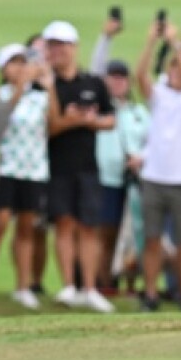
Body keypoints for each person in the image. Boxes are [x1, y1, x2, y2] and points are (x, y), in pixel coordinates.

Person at [43, 19, 117, 313]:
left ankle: (90, 287)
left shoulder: (93, 83)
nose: (57, 51)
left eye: (62, 45)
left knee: (89, 227)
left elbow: (110, 120)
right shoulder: (46, 84)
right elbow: (48, 128)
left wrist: (91, 122)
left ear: (74, 48)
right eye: (52, 46)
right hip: (57, 165)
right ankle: (69, 286)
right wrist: (69, 121)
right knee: (64, 224)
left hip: (88, 166)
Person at [137, 19, 181, 312]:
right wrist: (153, 42)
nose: (177, 72)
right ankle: (151, 295)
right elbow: (139, 76)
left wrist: (178, 44)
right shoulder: (161, 96)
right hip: (155, 177)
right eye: (175, 68)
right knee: (152, 240)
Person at [0, 44, 52, 310]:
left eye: (23, 63)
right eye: (13, 63)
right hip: (7, 168)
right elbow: (0, 122)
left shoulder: (40, 97)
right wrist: (21, 86)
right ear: (2, 68)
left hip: (33, 169)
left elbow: (53, 123)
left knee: (26, 229)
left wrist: (48, 84)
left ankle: (23, 287)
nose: (20, 68)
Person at [95, 59, 149, 293]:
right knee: (104, 233)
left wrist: (140, 159)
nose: (117, 82)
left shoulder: (138, 113)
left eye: (121, 78)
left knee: (131, 234)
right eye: (112, 77)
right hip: (104, 179)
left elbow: (153, 142)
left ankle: (129, 281)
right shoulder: (99, 109)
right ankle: (103, 281)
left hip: (132, 182)